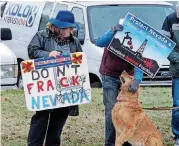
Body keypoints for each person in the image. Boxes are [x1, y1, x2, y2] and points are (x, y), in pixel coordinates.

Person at [27, 10, 82, 146]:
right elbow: (32, 51)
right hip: (45, 86)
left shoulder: (74, 42)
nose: (68, 31)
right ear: (57, 27)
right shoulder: (41, 36)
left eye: (69, 28)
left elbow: (80, 61)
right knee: (41, 118)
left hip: (64, 87)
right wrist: (48, 54)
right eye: (65, 28)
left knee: (58, 121)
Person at [95, 24, 143, 146]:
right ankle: (110, 143)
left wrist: (137, 80)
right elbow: (99, 42)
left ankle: (125, 141)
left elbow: (140, 60)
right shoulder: (115, 32)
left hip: (127, 75)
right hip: (109, 74)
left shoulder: (140, 39)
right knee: (111, 110)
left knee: (127, 110)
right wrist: (111, 31)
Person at [162, 2, 179, 146]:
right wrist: (178, 60)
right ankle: (178, 136)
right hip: (178, 71)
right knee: (177, 105)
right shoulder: (170, 19)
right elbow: (163, 44)